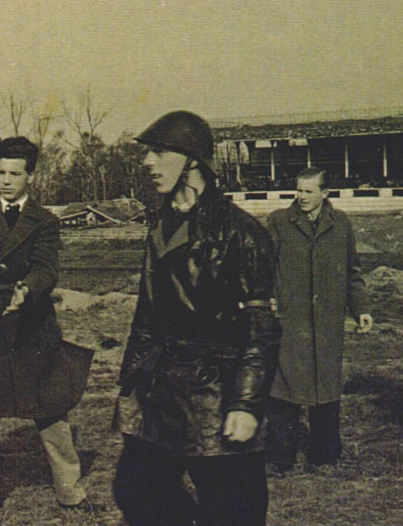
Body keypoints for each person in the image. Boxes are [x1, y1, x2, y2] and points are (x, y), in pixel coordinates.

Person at [112, 111, 278, 526]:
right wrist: (130, 383)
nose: (147, 162)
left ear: (191, 160)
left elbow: (260, 327)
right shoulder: (160, 224)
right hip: (158, 392)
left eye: (159, 152)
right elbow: (146, 315)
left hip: (214, 395)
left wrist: (246, 404)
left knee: (233, 511)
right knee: (136, 492)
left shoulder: (241, 233)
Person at [0, 137, 93, 524]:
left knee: (50, 410)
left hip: (32, 323)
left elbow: (47, 268)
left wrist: (27, 290)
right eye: (1, 172)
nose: (6, 181)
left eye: (15, 173)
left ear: (31, 176)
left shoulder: (45, 221)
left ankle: (70, 490)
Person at [264, 166, 372, 475]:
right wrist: (269, 298)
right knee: (284, 385)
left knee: (325, 385)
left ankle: (325, 453)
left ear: (325, 193)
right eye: (298, 190)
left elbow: (352, 271)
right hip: (290, 318)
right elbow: (263, 265)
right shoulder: (279, 221)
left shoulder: (340, 223)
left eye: (308, 191)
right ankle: (279, 456)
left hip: (327, 320)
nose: (301, 197)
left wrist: (361, 309)